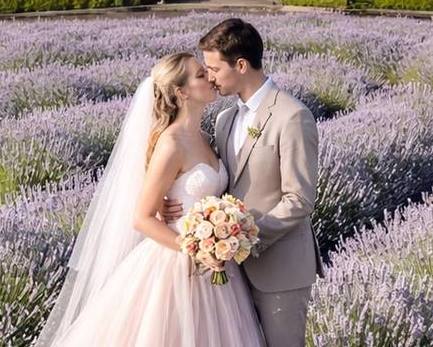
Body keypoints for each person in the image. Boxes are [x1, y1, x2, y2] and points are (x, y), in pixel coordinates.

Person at [36, 52, 265, 346]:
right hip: (176, 264)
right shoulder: (171, 144)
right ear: (181, 92)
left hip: (216, 263)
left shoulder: (206, 137)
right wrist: (195, 248)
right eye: (199, 74)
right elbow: (141, 218)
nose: (210, 76)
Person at [162, 18, 323, 347]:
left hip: (279, 268)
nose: (209, 77)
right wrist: (178, 206)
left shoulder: (292, 116)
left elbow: (300, 199)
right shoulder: (225, 119)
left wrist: (241, 239)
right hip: (228, 273)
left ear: (241, 65)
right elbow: (211, 179)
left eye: (214, 68)